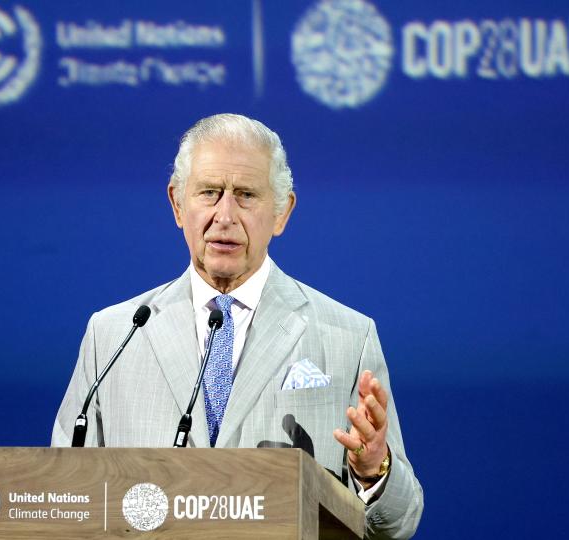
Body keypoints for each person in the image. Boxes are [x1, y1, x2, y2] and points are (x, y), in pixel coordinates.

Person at [52, 113, 423, 538]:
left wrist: (375, 471)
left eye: (246, 195)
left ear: (282, 212)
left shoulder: (348, 337)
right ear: (177, 203)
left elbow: (400, 522)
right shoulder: (114, 334)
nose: (224, 215)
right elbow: (64, 498)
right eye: (209, 193)